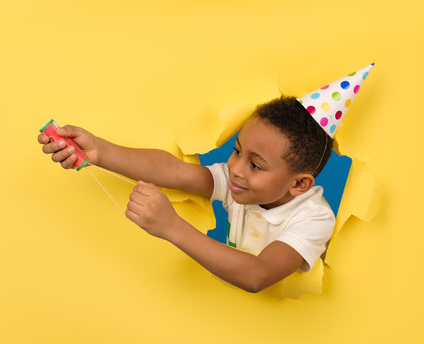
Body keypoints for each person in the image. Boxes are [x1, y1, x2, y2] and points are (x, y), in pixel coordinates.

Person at [37, 96, 336, 293]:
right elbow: (176, 172)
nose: (236, 169)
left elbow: (258, 275)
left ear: (299, 185)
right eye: (237, 151)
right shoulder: (241, 184)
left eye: (255, 164)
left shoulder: (314, 219)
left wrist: (172, 227)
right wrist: (101, 151)